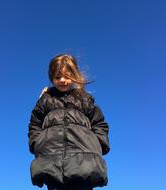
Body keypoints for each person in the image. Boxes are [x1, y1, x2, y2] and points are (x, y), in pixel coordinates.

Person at [28, 54, 110, 190]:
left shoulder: (84, 99)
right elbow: (34, 124)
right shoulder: (45, 100)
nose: (62, 80)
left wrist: (99, 144)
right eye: (57, 77)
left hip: (84, 163)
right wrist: (36, 143)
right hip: (52, 162)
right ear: (51, 78)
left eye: (67, 76)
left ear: (74, 76)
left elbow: (99, 123)